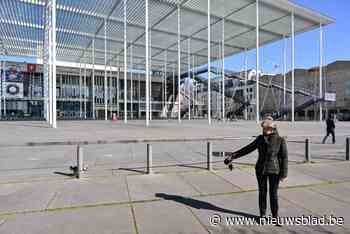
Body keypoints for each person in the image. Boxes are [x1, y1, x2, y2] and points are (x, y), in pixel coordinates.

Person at [224, 116, 288, 220]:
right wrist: (233, 155)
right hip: (261, 170)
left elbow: (284, 157)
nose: (265, 130)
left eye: (267, 128)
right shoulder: (260, 139)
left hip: (275, 170)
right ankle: (262, 215)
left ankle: (275, 216)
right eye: (264, 128)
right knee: (262, 193)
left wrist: (284, 174)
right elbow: (247, 149)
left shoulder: (280, 140)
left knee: (273, 194)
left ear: (273, 128)